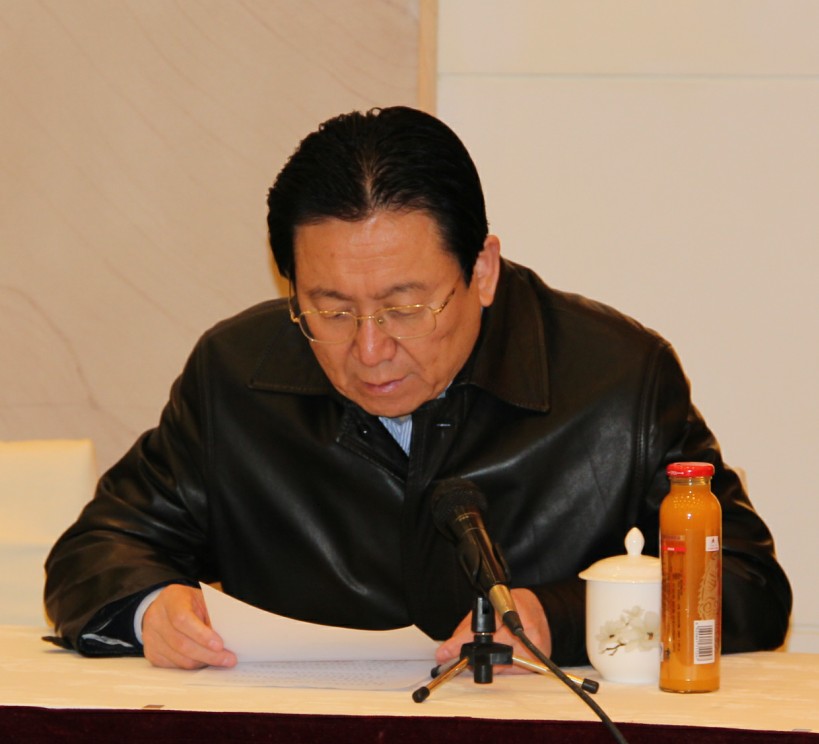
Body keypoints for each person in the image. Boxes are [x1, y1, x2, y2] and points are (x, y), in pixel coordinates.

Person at [45, 106, 791, 670]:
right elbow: (98, 550)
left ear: (483, 270)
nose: (370, 350)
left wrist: (560, 616)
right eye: (332, 310)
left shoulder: (617, 379)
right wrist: (151, 608)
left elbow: (748, 586)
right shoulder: (237, 376)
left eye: (405, 308)